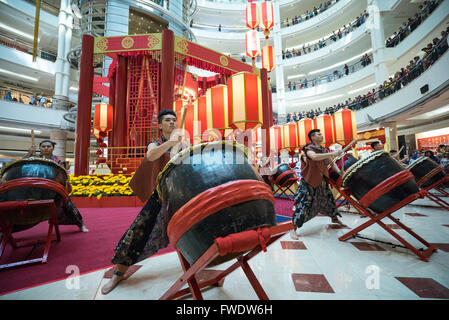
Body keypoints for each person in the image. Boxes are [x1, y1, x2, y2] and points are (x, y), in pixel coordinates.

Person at [101, 109, 184, 295]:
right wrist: (171, 143)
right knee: (138, 231)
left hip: (180, 196)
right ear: (160, 125)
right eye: (168, 120)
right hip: (160, 196)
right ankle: (119, 273)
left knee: (193, 228)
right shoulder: (154, 144)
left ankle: (201, 265)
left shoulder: (183, 144)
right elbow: (151, 156)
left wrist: (180, 146)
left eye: (174, 120)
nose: (172, 123)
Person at [22, 140, 88, 232]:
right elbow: (22, 163)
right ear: (39, 148)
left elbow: (63, 175)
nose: (46, 148)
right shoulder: (36, 158)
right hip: (38, 187)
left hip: (54, 187)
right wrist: (29, 153)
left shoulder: (59, 160)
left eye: (48, 146)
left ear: (53, 148)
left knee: (67, 205)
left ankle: (80, 224)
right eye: (43, 146)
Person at [290, 129, 344, 240]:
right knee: (305, 203)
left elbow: (331, 162)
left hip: (322, 180)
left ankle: (334, 218)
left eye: (321, 134)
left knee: (329, 200)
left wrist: (339, 171)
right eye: (319, 134)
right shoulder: (309, 149)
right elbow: (314, 157)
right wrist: (332, 153)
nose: (321, 136)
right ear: (313, 137)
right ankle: (293, 229)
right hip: (310, 181)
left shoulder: (323, 150)